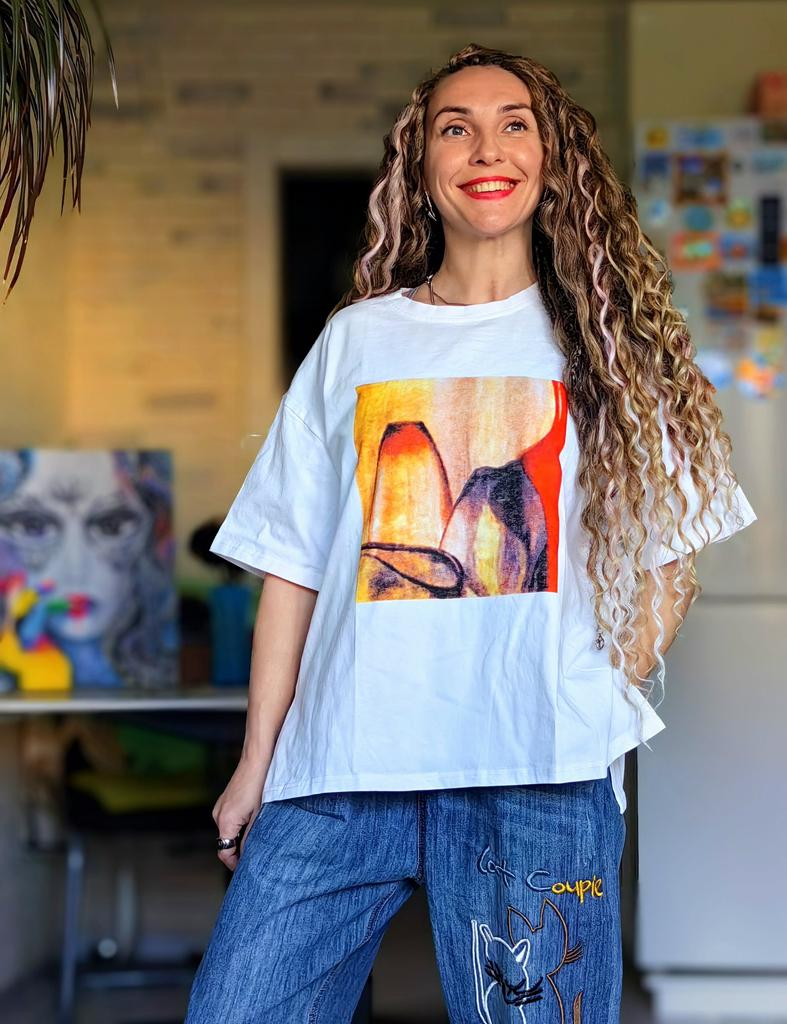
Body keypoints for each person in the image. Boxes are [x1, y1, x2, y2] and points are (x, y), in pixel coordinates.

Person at [184, 43, 757, 1024]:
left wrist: (592, 692)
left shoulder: (602, 346)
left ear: (550, 161)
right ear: (420, 169)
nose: (486, 147)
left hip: (536, 779)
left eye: (513, 124)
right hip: (340, 770)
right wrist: (254, 764)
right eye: (456, 128)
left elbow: (673, 553)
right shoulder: (357, 341)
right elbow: (291, 567)